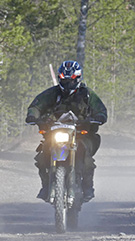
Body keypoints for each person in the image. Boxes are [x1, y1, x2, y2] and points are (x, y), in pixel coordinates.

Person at [25, 60, 107, 202]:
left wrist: (99, 117)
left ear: (77, 79)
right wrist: (33, 115)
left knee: (86, 155)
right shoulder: (52, 93)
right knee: (42, 156)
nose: (68, 83)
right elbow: (37, 105)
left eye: (71, 80)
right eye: (65, 80)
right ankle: (46, 185)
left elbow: (101, 109)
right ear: (60, 78)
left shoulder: (87, 94)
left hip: (81, 133)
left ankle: (88, 187)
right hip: (54, 131)